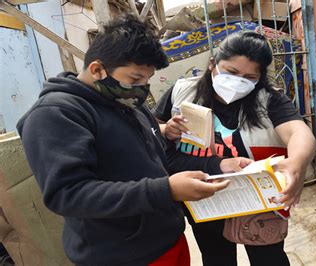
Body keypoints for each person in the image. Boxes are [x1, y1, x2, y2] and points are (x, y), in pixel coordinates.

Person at [16, 14, 247, 266]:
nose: (142, 88)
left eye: (146, 79)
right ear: (97, 69)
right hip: (120, 255)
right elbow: (68, 194)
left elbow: (155, 160)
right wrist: (166, 189)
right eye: (135, 79)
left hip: (167, 240)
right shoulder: (56, 114)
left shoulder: (127, 102)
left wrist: (215, 165)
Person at [154, 31, 316, 266]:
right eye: (231, 72)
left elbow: (299, 133)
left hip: (257, 202)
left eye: (249, 77)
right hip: (203, 198)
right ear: (213, 64)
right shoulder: (182, 92)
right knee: (216, 257)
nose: (238, 81)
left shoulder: (269, 100)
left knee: (269, 259)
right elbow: (152, 128)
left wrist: (298, 161)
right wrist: (166, 129)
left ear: (259, 78)